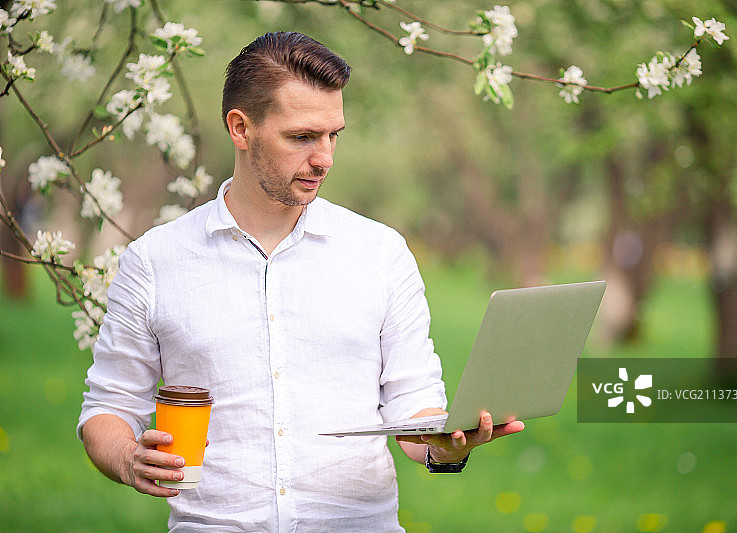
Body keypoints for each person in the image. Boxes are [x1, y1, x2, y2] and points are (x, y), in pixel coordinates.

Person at [78, 31, 524, 532]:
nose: (325, 158)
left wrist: (443, 445)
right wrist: (128, 457)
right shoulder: (155, 261)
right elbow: (108, 408)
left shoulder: (379, 253)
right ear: (241, 128)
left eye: (334, 135)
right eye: (303, 137)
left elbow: (412, 402)